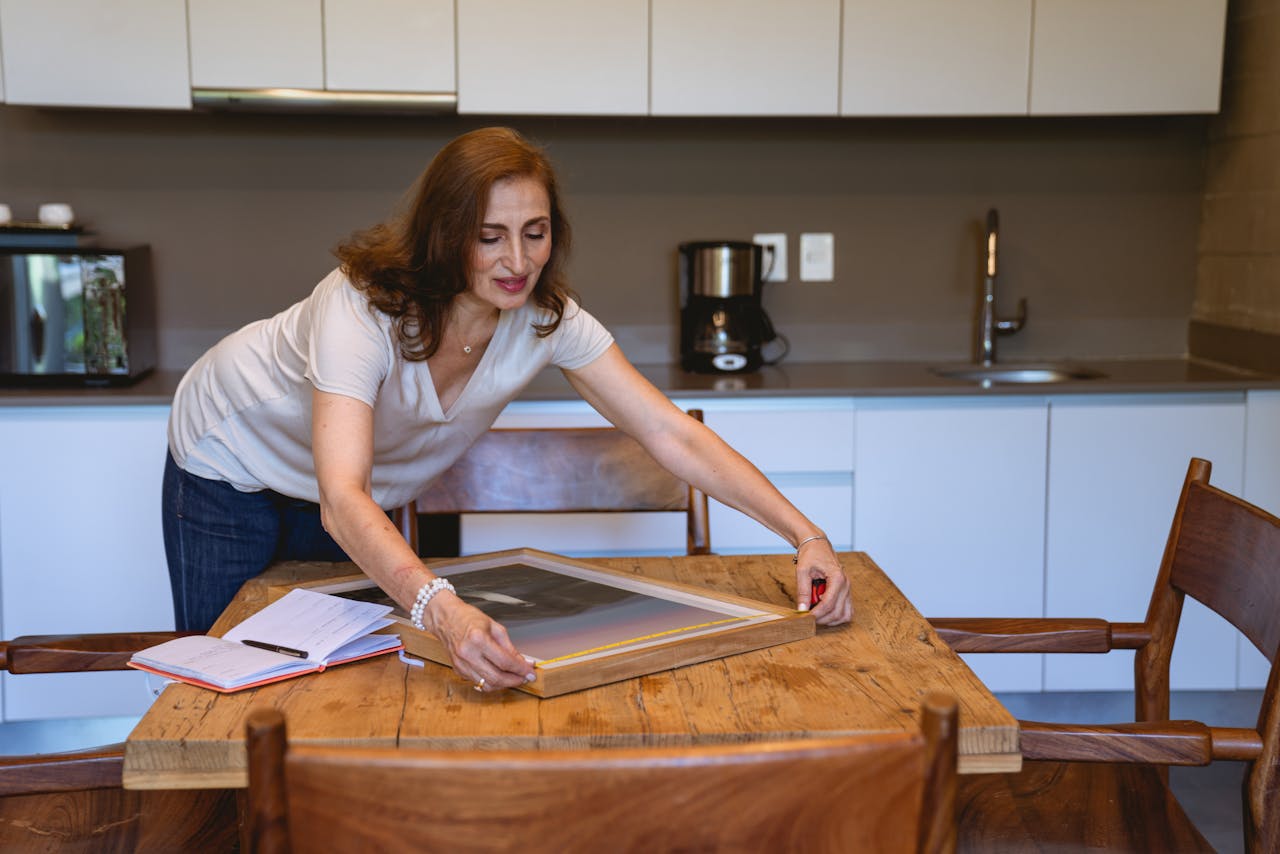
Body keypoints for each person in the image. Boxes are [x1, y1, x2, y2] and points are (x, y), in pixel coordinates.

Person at [162, 126, 851, 693]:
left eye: (535, 231)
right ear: (445, 232)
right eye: (489, 235)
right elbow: (343, 500)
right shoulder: (359, 308)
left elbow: (671, 433)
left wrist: (807, 536)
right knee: (228, 677)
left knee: (327, 677)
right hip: (230, 462)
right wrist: (444, 611)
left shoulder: (547, 319)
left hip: (344, 496)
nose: (517, 260)